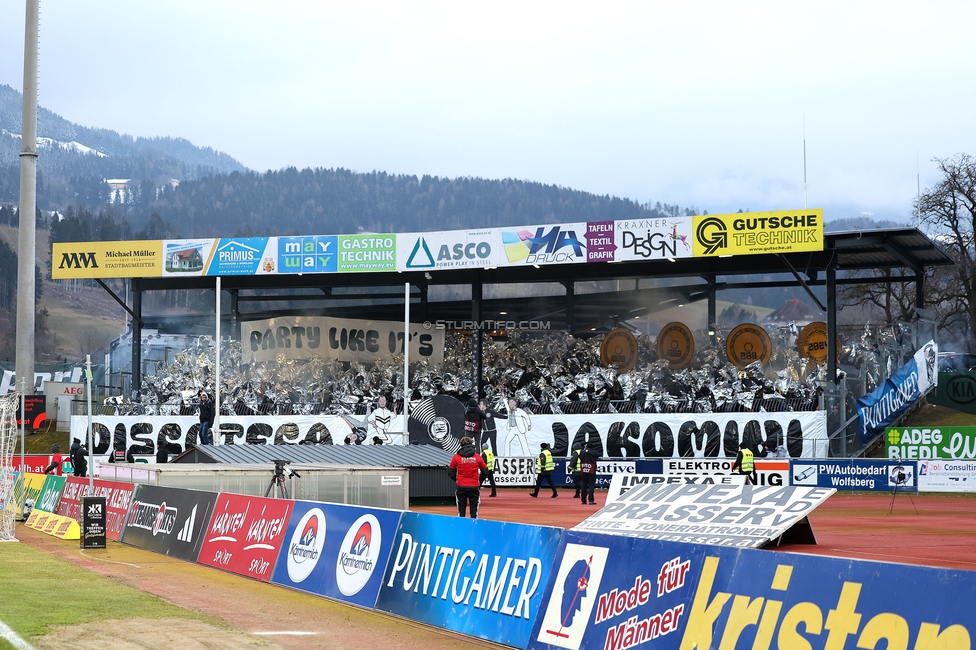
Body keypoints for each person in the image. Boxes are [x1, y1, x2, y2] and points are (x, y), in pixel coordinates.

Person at [448, 436, 487, 519]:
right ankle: (474, 527)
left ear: (461, 445)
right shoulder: (477, 457)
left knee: (461, 512)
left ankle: (461, 528)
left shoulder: (456, 457)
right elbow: (485, 471)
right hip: (474, 486)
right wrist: (479, 480)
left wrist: (458, 480)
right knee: (474, 511)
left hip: (461, 486)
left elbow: (450, 472)